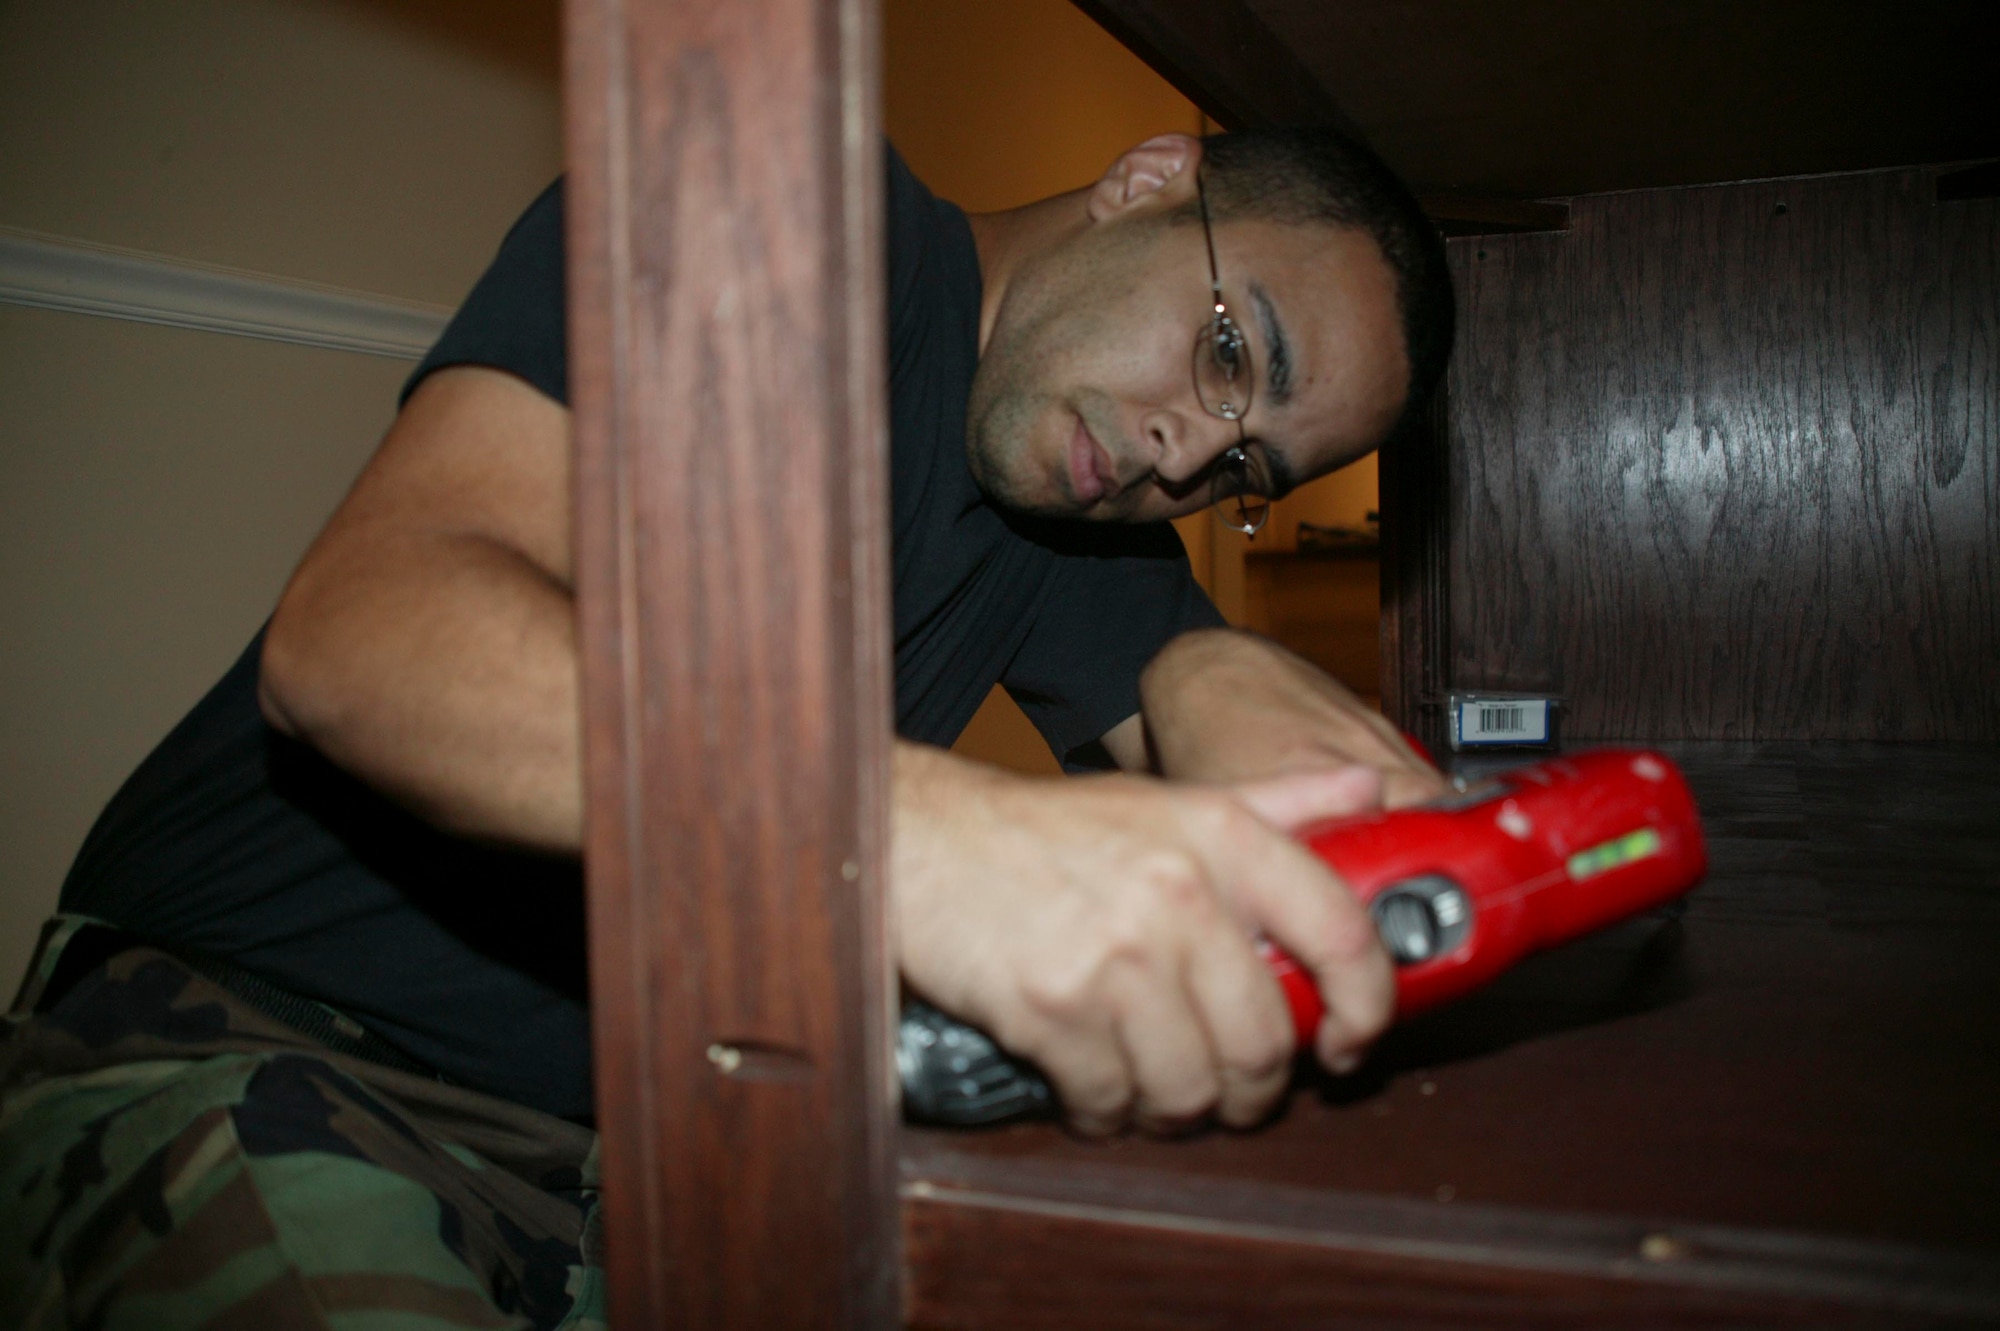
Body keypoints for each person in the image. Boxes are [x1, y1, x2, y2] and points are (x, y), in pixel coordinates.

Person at [0, 127, 1452, 1328]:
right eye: (1228, 352)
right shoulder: (782, 216)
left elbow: (1218, 730)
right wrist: (923, 839)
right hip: (243, 1052)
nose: (1189, 452)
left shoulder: (1073, 518)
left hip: (620, 1171)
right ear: (1146, 181)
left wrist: (1206, 673)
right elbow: (362, 644)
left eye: (1250, 468)